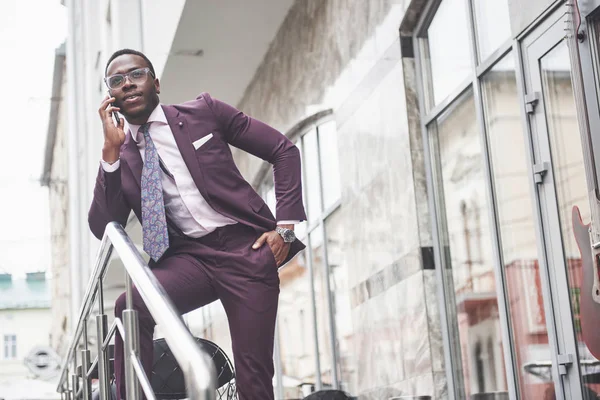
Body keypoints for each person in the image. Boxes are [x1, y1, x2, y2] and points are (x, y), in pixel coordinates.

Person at [88, 48, 306, 400]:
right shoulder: (122, 154)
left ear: (156, 83)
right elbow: (104, 226)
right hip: (187, 259)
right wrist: (110, 155)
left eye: (136, 74)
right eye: (117, 80)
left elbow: (282, 150)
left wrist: (286, 228)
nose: (127, 83)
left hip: (244, 251)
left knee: (254, 373)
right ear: (110, 96)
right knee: (129, 306)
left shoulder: (204, 112)